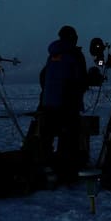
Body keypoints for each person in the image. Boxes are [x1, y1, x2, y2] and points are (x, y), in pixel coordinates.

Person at [38, 25, 89, 183]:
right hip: (66, 104)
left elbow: (43, 76)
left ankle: (43, 168)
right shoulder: (74, 54)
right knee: (68, 138)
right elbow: (80, 79)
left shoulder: (53, 54)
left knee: (47, 137)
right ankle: (65, 172)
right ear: (73, 38)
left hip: (48, 103)